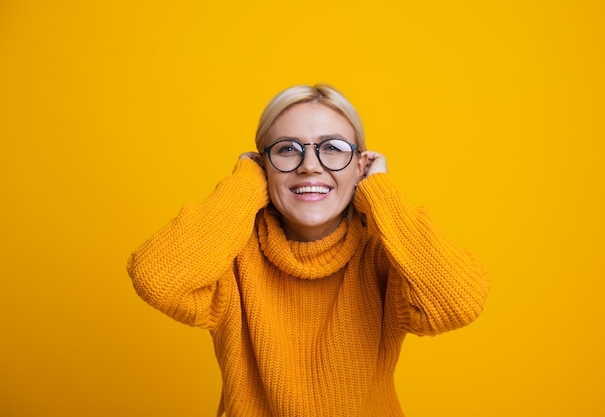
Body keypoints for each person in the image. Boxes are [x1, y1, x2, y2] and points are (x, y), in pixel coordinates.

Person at [127, 83, 490, 417]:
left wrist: (381, 194)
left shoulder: (384, 253)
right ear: (262, 165)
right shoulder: (230, 251)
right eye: (287, 149)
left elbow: (457, 304)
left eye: (333, 148)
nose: (310, 166)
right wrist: (243, 186)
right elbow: (157, 279)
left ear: (361, 166)